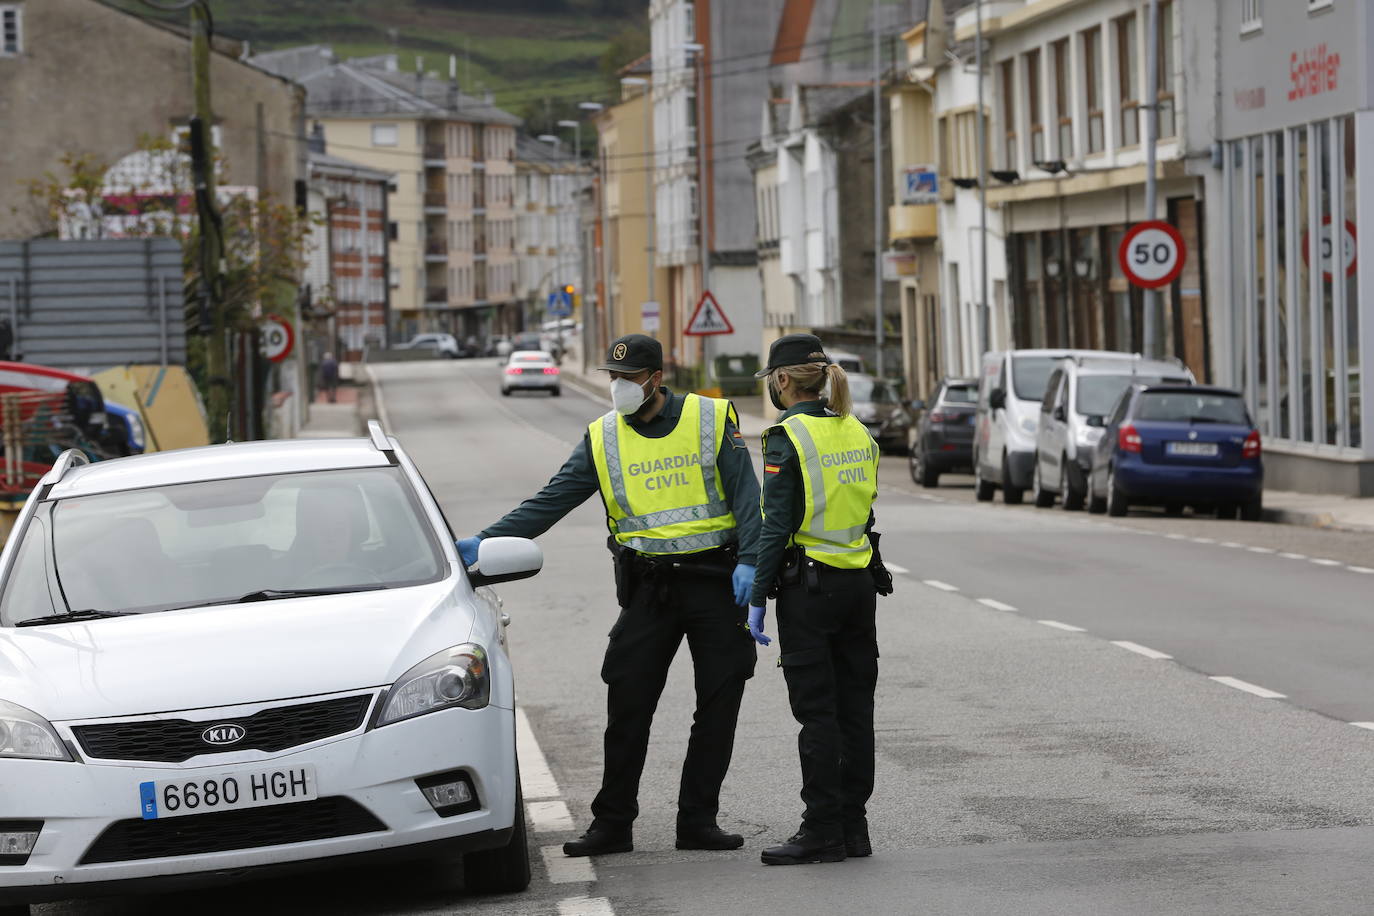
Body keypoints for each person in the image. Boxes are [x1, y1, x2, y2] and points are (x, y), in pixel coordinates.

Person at [456, 333, 762, 857]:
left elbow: (746, 494)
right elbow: (555, 498)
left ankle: (697, 821)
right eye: (613, 378)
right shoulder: (603, 436)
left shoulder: (708, 420)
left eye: (628, 378)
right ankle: (613, 824)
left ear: (656, 379)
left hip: (714, 580)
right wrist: (487, 541)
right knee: (628, 701)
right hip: (649, 587)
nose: (618, 387)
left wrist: (754, 561)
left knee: (718, 701)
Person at [744, 334, 891, 866]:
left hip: (811, 590)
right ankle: (854, 827)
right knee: (856, 710)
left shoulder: (787, 436)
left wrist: (757, 596)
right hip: (858, 586)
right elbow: (866, 509)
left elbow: (776, 524)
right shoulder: (857, 430)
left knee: (817, 714)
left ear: (782, 381)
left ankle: (821, 828)